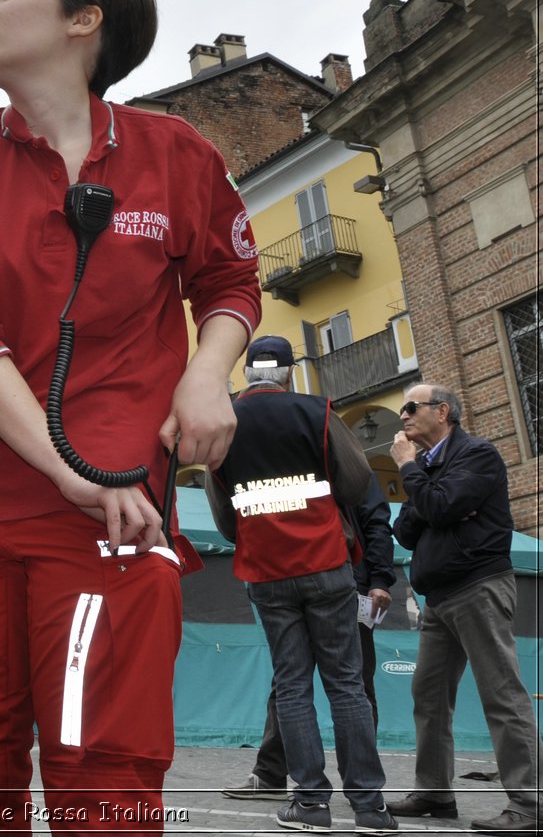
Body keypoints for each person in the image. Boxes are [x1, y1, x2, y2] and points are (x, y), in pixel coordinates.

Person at [0, 0, 260, 833]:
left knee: (107, 789)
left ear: (83, 20)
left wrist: (208, 376)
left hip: (117, 526)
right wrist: (67, 470)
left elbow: (229, 281)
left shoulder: (175, 154)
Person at [205, 336, 396, 834]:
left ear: (248, 372)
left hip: (267, 572)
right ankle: (371, 809)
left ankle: (310, 804)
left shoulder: (222, 421)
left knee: (292, 687)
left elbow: (225, 518)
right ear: (289, 371)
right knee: (347, 685)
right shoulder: (318, 412)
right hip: (326, 566)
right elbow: (355, 485)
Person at [387, 385, 543, 835]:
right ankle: (435, 792)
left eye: (411, 407)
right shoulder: (430, 466)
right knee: (427, 698)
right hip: (439, 599)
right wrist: (427, 491)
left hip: (478, 587)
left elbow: (440, 507)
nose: (402, 416)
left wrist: (411, 471)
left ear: (442, 411)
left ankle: (534, 808)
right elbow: (406, 530)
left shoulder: (477, 455)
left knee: (503, 697)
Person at [225, 476, 396, 802]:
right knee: (295, 684)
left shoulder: (340, 457)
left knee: (349, 683)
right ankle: (274, 773)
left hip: (346, 582)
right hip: (305, 576)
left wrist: (380, 579)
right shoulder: (298, 450)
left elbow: (375, 521)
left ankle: (357, 789)